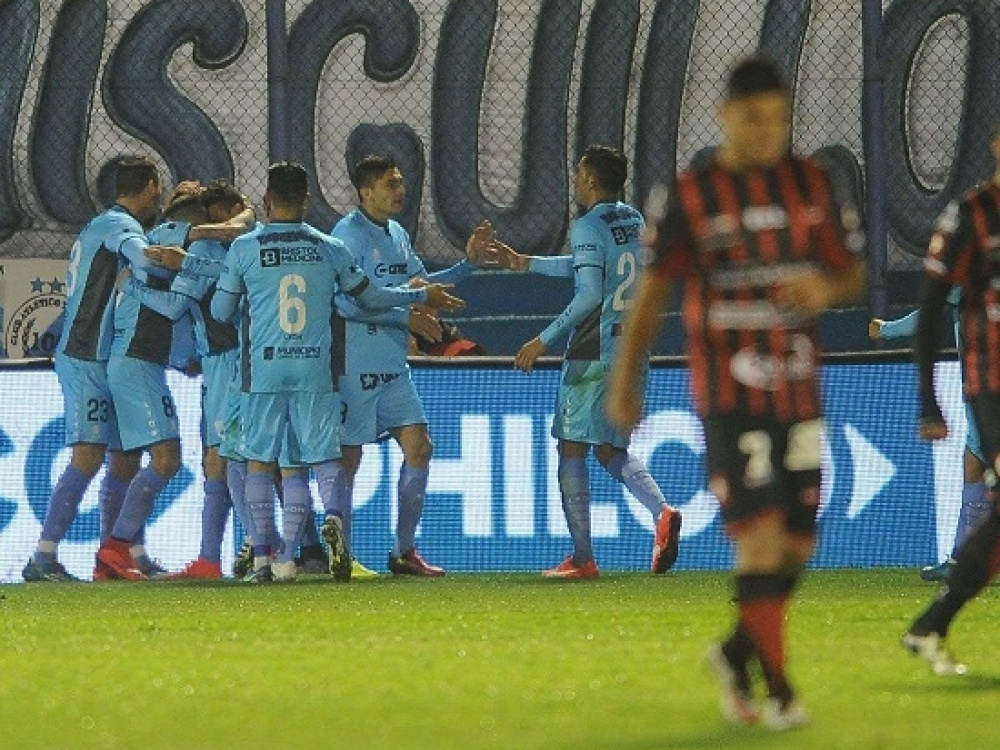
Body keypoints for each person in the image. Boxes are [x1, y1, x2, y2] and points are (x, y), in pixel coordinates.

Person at [606, 56, 865, 729]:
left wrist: (824, 287)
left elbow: (851, 273)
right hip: (728, 398)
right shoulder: (691, 196)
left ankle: (733, 654)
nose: (766, 131)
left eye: (778, 119)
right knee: (760, 542)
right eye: (754, 118)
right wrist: (625, 382)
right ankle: (778, 692)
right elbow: (652, 294)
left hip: (799, 393)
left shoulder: (812, 182)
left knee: (797, 548)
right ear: (725, 115)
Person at [210, 161, 464, 582]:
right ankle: (309, 542)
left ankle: (263, 561)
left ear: (267, 200)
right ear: (307, 200)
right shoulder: (330, 246)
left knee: (260, 461)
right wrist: (418, 298)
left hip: (265, 369)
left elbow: (221, 312)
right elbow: (370, 296)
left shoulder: (244, 248)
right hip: (315, 368)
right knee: (315, 460)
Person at [492, 145, 682, 579]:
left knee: (571, 446)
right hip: (632, 347)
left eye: (579, 174)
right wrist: (527, 264)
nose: (575, 181)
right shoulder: (633, 220)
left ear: (592, 181)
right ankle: (663, 511)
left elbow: (589, 293)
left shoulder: (587, 226)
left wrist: (541, 340)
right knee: (610, 448)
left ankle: (582, 558)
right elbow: (589, 267)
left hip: (593, 348)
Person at [329, 154, 493, 580]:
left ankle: (403, 552)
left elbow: (425, 287)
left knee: (420, 447)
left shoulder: (398, 234)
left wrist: (469, 264)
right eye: (391, 184)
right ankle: (341, 555)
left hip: (394, 367)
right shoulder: (347, 236)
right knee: (348, 461)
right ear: (366, 191)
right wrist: (406, 315)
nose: (401, 190)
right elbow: (346, 303)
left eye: (400, 182)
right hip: (355, 366)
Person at [21, 156, 166, 582]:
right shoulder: (119, 226)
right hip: (85, 355)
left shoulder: (101, 225)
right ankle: (43, 557)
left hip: (106, 358)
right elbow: (146, 260)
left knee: (126, 457)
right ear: (151, 187)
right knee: (88, 455)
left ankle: (118, 555)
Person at [902, 120, 1000, 676]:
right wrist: (927, 399)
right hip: (993, 386)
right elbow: (932, 307)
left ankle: (930, 625)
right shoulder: (971, 216)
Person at [870, 295, 989, 581]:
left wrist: (885, 330)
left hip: (988, 396)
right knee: (973, 467)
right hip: (981, 396)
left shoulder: (968, 279)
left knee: (976, 466)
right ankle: (961, 560)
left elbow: (927, 316)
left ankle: (962, 561)